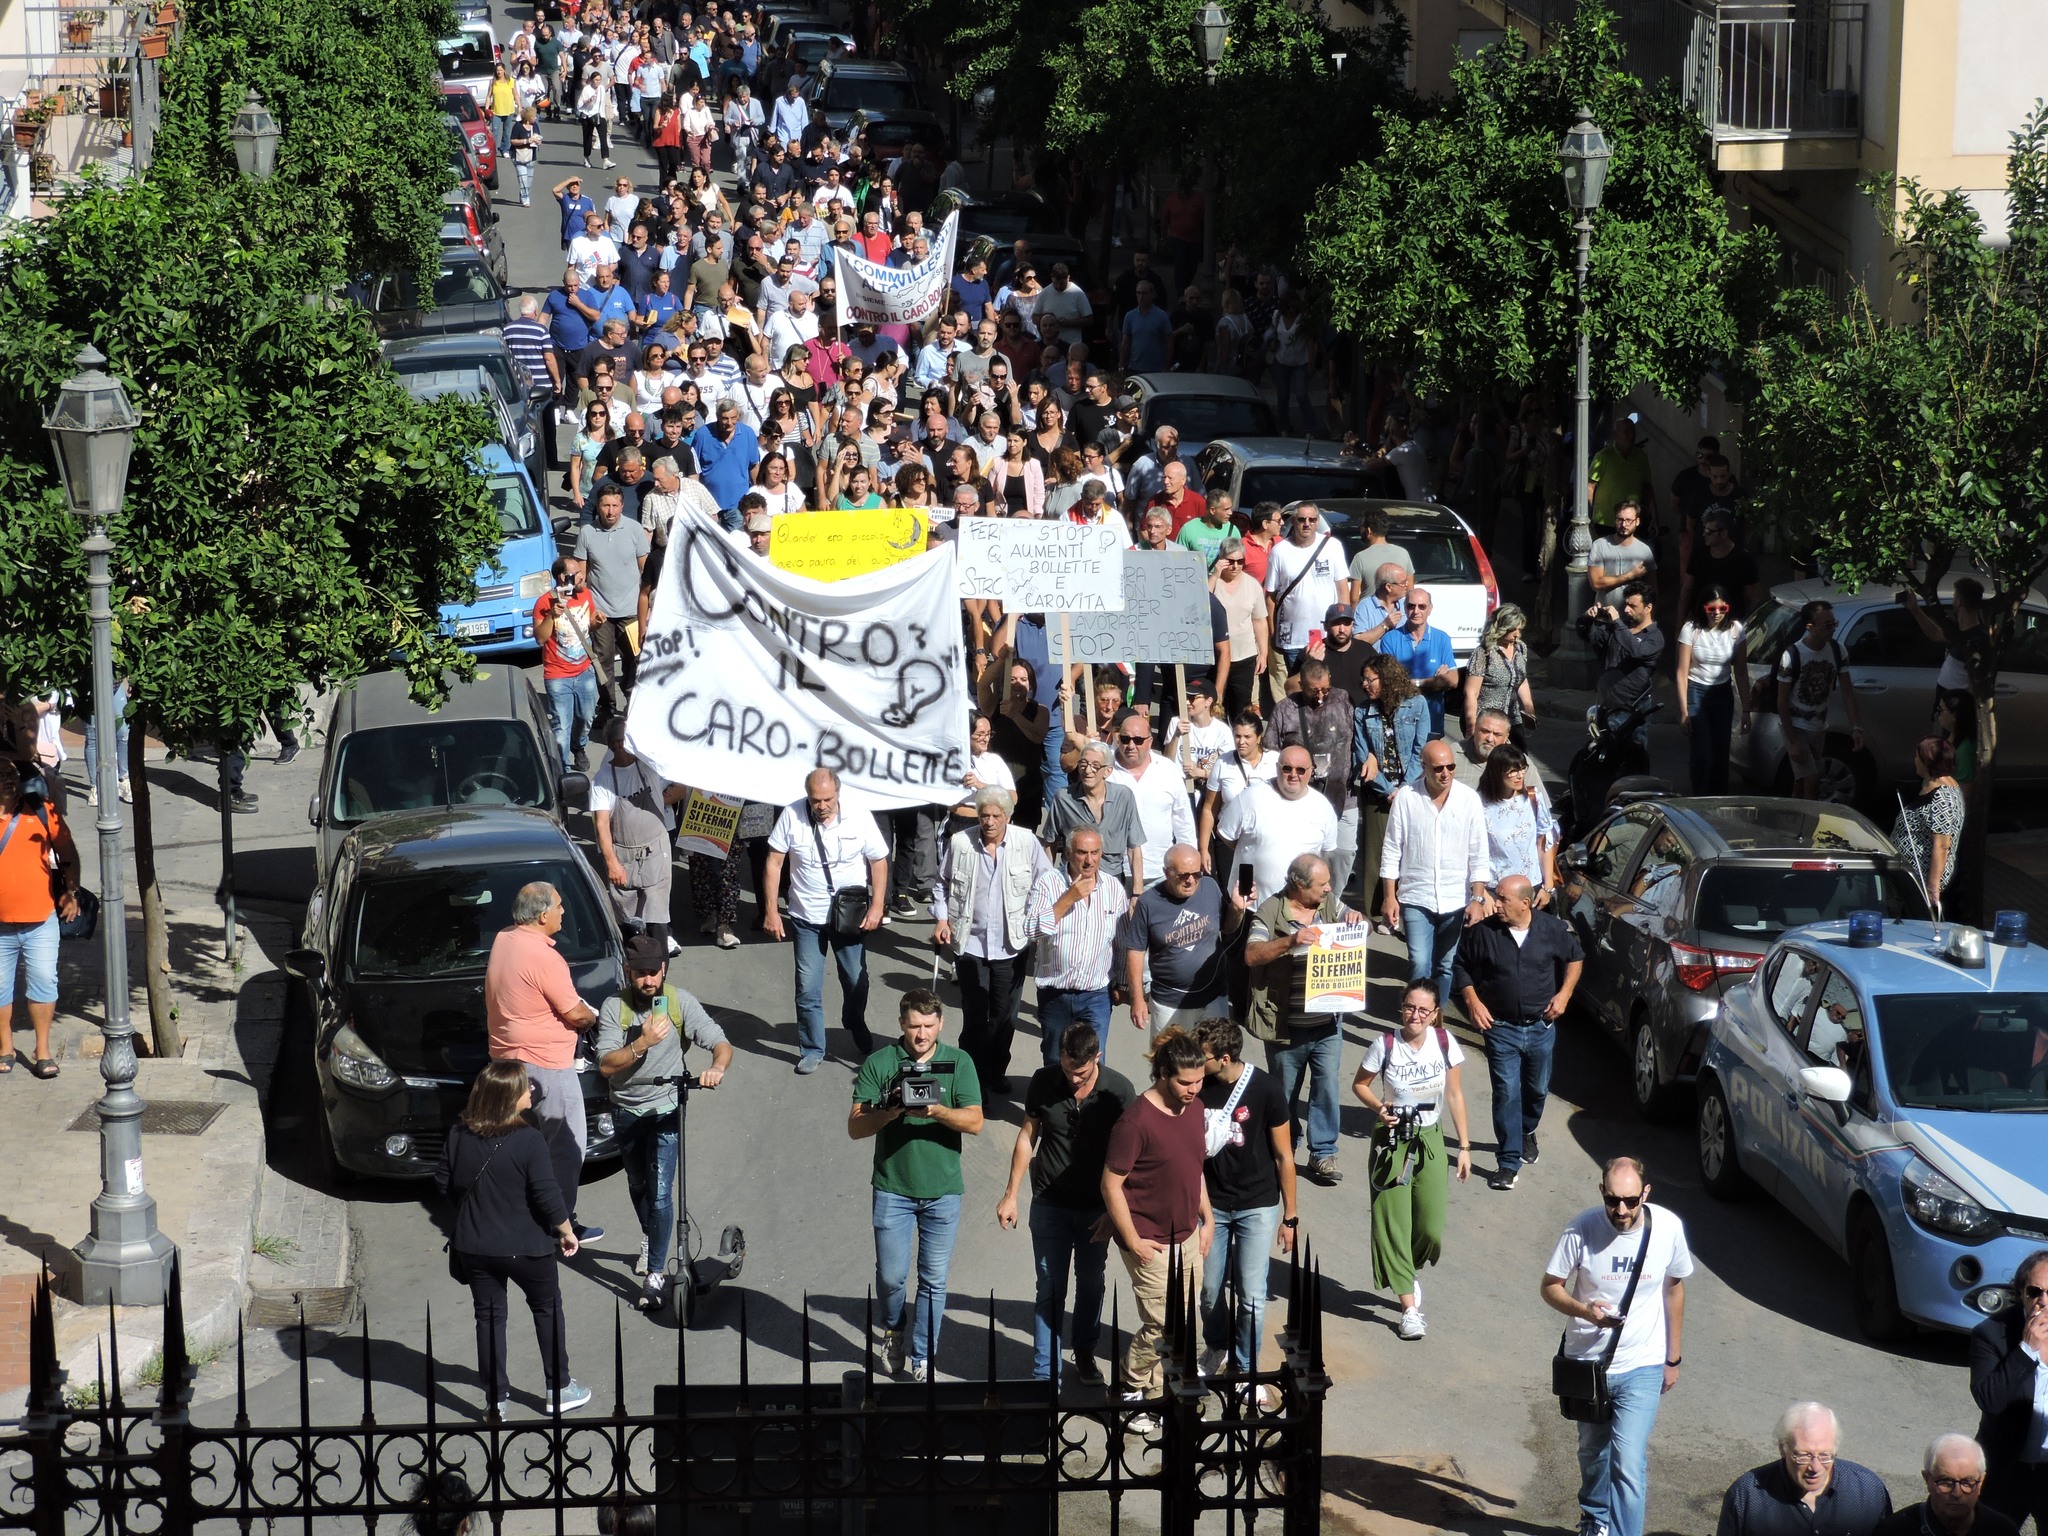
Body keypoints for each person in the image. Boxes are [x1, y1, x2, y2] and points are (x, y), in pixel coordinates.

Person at [1542, 1157, 1693, 1536]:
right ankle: (1595, 1517)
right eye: (1612, 1200)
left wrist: (1672, 1357)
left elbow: (1673, 1289)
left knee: (1628, 1462)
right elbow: (1550, 1287)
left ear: (1645, 1193)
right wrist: (1585, 1311)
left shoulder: (1668, 1228)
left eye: (1629, 1200)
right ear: (1602, 1193)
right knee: (1593, 1453)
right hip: (1589, 1364)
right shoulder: (1581, 1230)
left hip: (1642, 1364)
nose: (1621, 1210)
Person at [434, 1061, 590, 1416]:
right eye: (525, 1088)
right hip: (526, 1247)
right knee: (547, 1311)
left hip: (474, 1247)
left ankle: (495, 1402)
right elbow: (547, 1195)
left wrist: (473, 1210)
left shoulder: (460, 1133)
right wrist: (566, 1232)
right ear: (508, 1098)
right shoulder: (529, 1139)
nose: (531, 1091)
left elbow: (443, 1181)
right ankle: (559, 1389)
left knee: (489, 1319)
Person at [849, 989, 984, 1382]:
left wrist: (938, 1110)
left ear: (941, 1024)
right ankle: (893, 1330)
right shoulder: (881, 1062)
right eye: (914, 1026)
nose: (921, 1034)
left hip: (943, 1191)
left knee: (933, 1279)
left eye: (928, 1026)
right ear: (901, 1024)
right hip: (893, 1187)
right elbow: (855, 1126)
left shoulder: (959, 1062)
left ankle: (924, 1354)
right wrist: (890, 1112)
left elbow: (975, 1122)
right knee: (891, 1277)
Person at [594, 933, 732, 1311]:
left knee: (659, 1192)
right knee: (637, 1184)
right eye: (640, 974)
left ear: (664, 969)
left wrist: (716, 1068)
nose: (648, 981)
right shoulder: (613, 1008)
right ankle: (652, 1236)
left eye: (654, 972)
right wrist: (642, 1042)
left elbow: (720, 1043)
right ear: (628, 971)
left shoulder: (679, 1002)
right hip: (626, 1109)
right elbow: (606, 1066)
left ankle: (656, 1273)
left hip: (667, 1107)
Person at [996, 1022, 1135, 1382]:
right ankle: (1045, 1374)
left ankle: (1085, 1351)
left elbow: (1129, 1156)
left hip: (1095, 1209)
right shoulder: (1044, 1081)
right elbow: (1028, 1136)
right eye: (1069, 1070)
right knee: (1050, 1287)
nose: (1074, 1079)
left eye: (1083, 1072)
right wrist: (1011, 1194)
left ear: (1097, 1058)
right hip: (1050, 1205)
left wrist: (1113, 1211)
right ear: (1060, 1057)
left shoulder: (1118, 1091)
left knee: (1091, 1283)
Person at [1102, 1028, 1214, 1417]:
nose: (1194, 1089)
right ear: (1164, 1074)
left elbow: (1193, 1168)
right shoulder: (1134, 1122)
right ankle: (1129, 1388)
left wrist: (1208, 1219)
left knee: (1182, 1321)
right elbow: (1111, 1184)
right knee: (1161, 1326)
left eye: (1200, 1080)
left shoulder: (1196, 1109)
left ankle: (1157, 1393)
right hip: (1149, 1240)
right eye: (1185, 1082)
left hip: (1187, 1235)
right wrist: (1133, 1240)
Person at [1352, 980, 1472, 1340]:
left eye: (1423, 1010)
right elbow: (1360, 1084)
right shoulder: (1384, 1044)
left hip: (1430, 1138)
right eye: (1409, 1007)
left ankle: (1406, 1267)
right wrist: (1379, 1107)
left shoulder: (1445, 1043)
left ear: (1435, 1014)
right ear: (1401, 1007)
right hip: (1391, 1142)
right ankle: (1409, 1310)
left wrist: (1464, 1147)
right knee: (1393, 1222)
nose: (1415, 1015)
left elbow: (1454, 1095)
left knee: (1431, 1229)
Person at [485, 882, 602, 1242]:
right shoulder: (544, 957)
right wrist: (596, 1017)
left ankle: (528, 1214)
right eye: (559, 907)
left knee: (526, 1147)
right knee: (567, 1146)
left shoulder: (505, 939)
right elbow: (576, 1013)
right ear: (542, 915)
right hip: (547, 1064)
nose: (564, 912)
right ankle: (560, 1222)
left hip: (507, 1059)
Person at [1454, 875, 1580, 1191]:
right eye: (1495, 897)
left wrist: (1564, 995)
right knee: (1507, 1091)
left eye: (1503, 900)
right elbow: (1460, 966)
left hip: (1541, 1027)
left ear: (1525, 903)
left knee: (1536, 1089)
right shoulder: (1484, 932)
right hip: (1500, 1028)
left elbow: (1576, 959)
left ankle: (1527, 1129)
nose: (1496, 904)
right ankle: (1508, 1162)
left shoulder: (1551, 930)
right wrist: (1472, 1000)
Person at [1193, 1016, 1296, 1396]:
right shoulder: (1196, 1088)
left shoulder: (1266, 1089)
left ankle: (1247, 1367)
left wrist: (1290, 1216)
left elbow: (1284, 1156)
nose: (1194, 1064)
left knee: (1252, 1295)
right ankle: (1217, 1344)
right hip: (1212, 1206)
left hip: (1257, 1204)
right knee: (1208, 1290)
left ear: (1222, 1057)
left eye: (1201, 1057)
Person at [762, 768, 890, 1074]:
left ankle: (854, 1020)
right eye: (815, 799)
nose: (822, 805)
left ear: (838, 793)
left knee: (856, 981)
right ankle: (812, 1048)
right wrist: (770, 911)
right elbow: (774, 862)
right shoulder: (792, 815)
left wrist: (877, 906)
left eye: (828, 799)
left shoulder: (859, 815)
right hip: (806, 916)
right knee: (807, 987)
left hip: (849, 916)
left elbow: (879, 861)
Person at [1243, 854, 1359, 1187]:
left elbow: (1350, 922)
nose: (1329, 889)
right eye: (1322, 884)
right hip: (1285, 1026)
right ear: (1298, 885)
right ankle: (1284, 1153)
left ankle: (1323, 1153)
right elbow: (1252, 955)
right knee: (1284, 1094)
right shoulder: (1270, 911)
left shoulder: (1329, 904)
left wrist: (1353, 917)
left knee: (1326, 1089)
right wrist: (1291, 941)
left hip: (1327, 1025)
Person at [933, 788, 1052, 1094]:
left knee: (1004, 1017)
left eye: (996, 816)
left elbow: (1046, 882)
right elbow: (941, 884)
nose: (989, 821)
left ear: (1008, 817)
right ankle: (973, 1083)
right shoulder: (960, 843)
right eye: (984, 815)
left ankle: (995, 1071)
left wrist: (1036, 920)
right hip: (970, 945)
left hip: (1011, 945)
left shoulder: (1026, 842)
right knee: (975, 1017)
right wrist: (942, 919)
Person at [1380, 740, 1490, 1005]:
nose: (1446, 773)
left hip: (1456, 899)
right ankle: (1417, 1015)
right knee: (1419, 962)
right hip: (1417, 897)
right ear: (1424, 767)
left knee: (1446, 964)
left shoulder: (1469, 800)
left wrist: (1477, 899)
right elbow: (1392, 849)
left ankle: (1435, 1016)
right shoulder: (1407, 798)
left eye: (1451, 767)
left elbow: (1479, 853)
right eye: (1438, 768)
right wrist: (1389, 897)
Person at [0, 758, 81, 1079]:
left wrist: (70, 892)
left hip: (41, 918)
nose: (8, 779)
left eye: (11, 774)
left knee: (45, 981)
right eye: (0, 775)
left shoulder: (42, 810)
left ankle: (42, 1050)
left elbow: (69, 853)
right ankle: (5, 1047)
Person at [1029, 828, 1131, 1066]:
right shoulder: (1048, 883)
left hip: (1096, 994)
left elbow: (1121, 941)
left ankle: (1089, 1104)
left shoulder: (1113, 888)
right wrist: (1067, 898)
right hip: (1056, 992)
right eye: (1082, 853)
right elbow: (1031, 931)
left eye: (1095, 853)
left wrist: (1123, 982)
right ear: (1067, 853)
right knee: (1056, 1060)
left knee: (1094, 1062)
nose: (1089, 860)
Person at [1715, 1402, 1893, 1536]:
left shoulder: (1869, 1491)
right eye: (1803, 1456)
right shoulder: (1747, 1497)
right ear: (1782, 1449)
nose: (1815, 1467)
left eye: (1825, 1455)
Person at [1120, 845, 1242, 1038]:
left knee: (1215, 1062)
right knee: (1171, 1064)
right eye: (1183, 875)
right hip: (1169, 1003)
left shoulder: (1209, 887)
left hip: (1213, 997)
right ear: (1166, 873)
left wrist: (1237, 909)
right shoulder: (1148, 903)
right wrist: (1137, 999)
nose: (1191, 880)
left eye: (1196, 874)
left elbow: (1227, 927)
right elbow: (1135, 951)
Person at [590, 719, 687, 954]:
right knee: (630, 923)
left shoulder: (649, 764)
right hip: (624, 856)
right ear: (616, 745)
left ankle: (660, 971)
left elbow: (682, 783)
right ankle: (634, 972)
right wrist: (611, 862)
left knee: (657, 919)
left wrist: (656, 802)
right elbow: (602, 823)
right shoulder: (603, 778)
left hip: (656, 851)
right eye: (628, 741)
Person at [1969, 1249, 2048, 1534]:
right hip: (2007, 1471)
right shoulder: (1991, 1334)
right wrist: (2026, 1350)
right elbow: (1990, 1399)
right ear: (2021, 1293)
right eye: (2035, 1291)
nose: (2044, 1301)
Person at [1263, 660, 1358, 893]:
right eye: (1313, 690)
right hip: (1302, 798)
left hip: (1342, 793)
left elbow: (1361, 737)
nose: (1320, 695)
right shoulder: (1285, 709)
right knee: (1307, 857)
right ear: (1301, 685)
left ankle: (1332, 902)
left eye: (1325, 689)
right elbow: (1270, 752)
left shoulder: (1343, 700)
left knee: (1343, 853)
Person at [1217, 744, 1341, 906]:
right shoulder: (1249, 797)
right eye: (1287, 768)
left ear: (1311, 772)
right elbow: (1227, 836)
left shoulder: (1323, 807)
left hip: (1300, 910)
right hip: (1250, 905)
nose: (1293, 775)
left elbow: (1325, 853)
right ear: (1277, 768)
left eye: (1301, 770)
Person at [571, 487, 651, 736]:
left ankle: (634, 705)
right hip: (601, 612)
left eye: (615, 506)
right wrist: (588, 609)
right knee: (602, 661)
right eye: (605, 506)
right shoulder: (587, 532)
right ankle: (606, 707)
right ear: (598, 507)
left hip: (630, 612)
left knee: (635, 660)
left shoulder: (635, 530)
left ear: (621, 506)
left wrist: (647, 609)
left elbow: (645, 573)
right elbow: (581, 577)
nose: (610, 511)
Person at [1776, 599, 1863, 800]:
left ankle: (1791, 819)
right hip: (1796, 727)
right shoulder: (1792, 655)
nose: (1832, 629)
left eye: (1834, 624)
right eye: (1827, 625)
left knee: (1801, 782)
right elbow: (1781, 701)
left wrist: (1856, 727)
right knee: (1813, 780)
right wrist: (1793, 741)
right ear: (1810, 627)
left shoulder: (1837, 650)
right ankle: (1807, 825)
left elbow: (1848, 692)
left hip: (1819, 727)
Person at [1111, 708, 1197, 895]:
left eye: (1138, 740)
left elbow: (1183, 821)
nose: (1131, 745)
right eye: (1125, 739)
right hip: (1116, 872)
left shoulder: (1168, 770)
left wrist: (1190, 866)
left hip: (1160, 872)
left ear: (1149, 742)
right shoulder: (1106, 771)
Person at [1041, 740, 1146, 890]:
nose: (1088, 770)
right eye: (1083, 764)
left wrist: (1137, 891)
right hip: (1073, 880)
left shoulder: (1124, 797)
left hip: (1112, 882)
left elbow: (1134, 848)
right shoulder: (1063, 798)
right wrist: (1048, 882)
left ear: (1108, 771)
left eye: (1095, 766)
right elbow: (1049, 842)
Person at [1676, 584, 1751, 795]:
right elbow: (1681, 672)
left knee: (1720, 753)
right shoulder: (1691, 629)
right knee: (1703, 753)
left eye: (1722, 609)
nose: (1717, 614)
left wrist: (1746, 709)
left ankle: (1718, 799)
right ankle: (1699, 797)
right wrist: (1684, 713)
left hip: (1722, 693)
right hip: (1697, 691)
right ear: (1703, 608)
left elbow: (1742, 671)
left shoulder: (1736, 630)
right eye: (1712, 609)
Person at [1873, 1435, 2017, 1536]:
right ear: (1927, 1479)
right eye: (1946, 1481)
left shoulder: (2002, 1530)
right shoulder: (1895, 1531)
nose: (1957, 1493)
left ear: (1981, 1482)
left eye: (1967, 1482)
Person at [1579, 583, 1665, 747]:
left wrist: (1617, 622)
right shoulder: (1619, 628)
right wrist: (1591, 618)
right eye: (1626, 604)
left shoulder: (1654, 637)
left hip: (1632, 708)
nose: (1626, 610)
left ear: (1648, 608)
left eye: (1633, 606)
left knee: (1631, 754)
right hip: (1607, 705)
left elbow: (1637, 651)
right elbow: (1592, 638)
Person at [1263, 504, 1345, 672]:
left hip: (1327, 637)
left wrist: (1342, 626)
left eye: (1312, 519)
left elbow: (1343, 590)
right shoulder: (1279, 552)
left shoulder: (1333, 546)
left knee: (1328, 687)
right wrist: (1273, 634)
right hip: (1293, 638)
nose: (1307, 524)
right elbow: (1270, 598)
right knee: (1297, 689)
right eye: (1301, 519)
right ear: (1293, 521)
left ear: (1317, 521)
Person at [1197, 709, 1276, 873]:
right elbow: (1209, 808)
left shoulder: (1275, 761)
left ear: (1259, 738)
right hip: (1229, 840)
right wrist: (1204, 849)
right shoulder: (1223, 763)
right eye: (1237, 736)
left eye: (1247, 737)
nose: (1241, 742)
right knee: (1231, 891)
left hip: (1264, 840)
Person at [1477, 745, 1557, 898]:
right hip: (1494, 889)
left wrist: (1548, 886)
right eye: (1512, 771)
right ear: (1497, 773)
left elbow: (1544, 841)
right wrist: (1482, 895)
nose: (1520, 775)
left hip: (1530, 887)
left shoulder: (1533, 798)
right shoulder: (1479, 803)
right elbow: (1471, 850)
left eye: (1522, 769)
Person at [1462, 604, 1536, 747]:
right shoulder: (1484, 652)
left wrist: (1529, 709)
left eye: (1519, 630)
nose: (1517, 634)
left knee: (1518, 759)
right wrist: (1471, 727)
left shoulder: (1521, 648)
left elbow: (1521, 679)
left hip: (1512, 719)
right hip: (1488, 721)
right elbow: (1471, 692)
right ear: (1500, 627)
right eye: (1512, 630)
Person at [1587, 415, 1654, 537]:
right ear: (1615, 435)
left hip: (1631, 522)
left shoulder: (1641, 457)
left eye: (1633, 432)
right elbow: (1590, 486)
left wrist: (1654, 516)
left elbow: (1647, 487)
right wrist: (1587, 516)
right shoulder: (1603, 456)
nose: (1631, 436)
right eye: (1626, 432)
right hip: (1606, 522)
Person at [1587, 500, 1657, 596]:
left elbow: (1652, 588)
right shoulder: (1600, 545)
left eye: (1628, 520)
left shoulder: (1644, 551)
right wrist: (1631, 575)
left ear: (1637, 521)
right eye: (1620, 520)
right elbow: (1596, 583)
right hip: (1605, 609)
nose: (1624, 525)